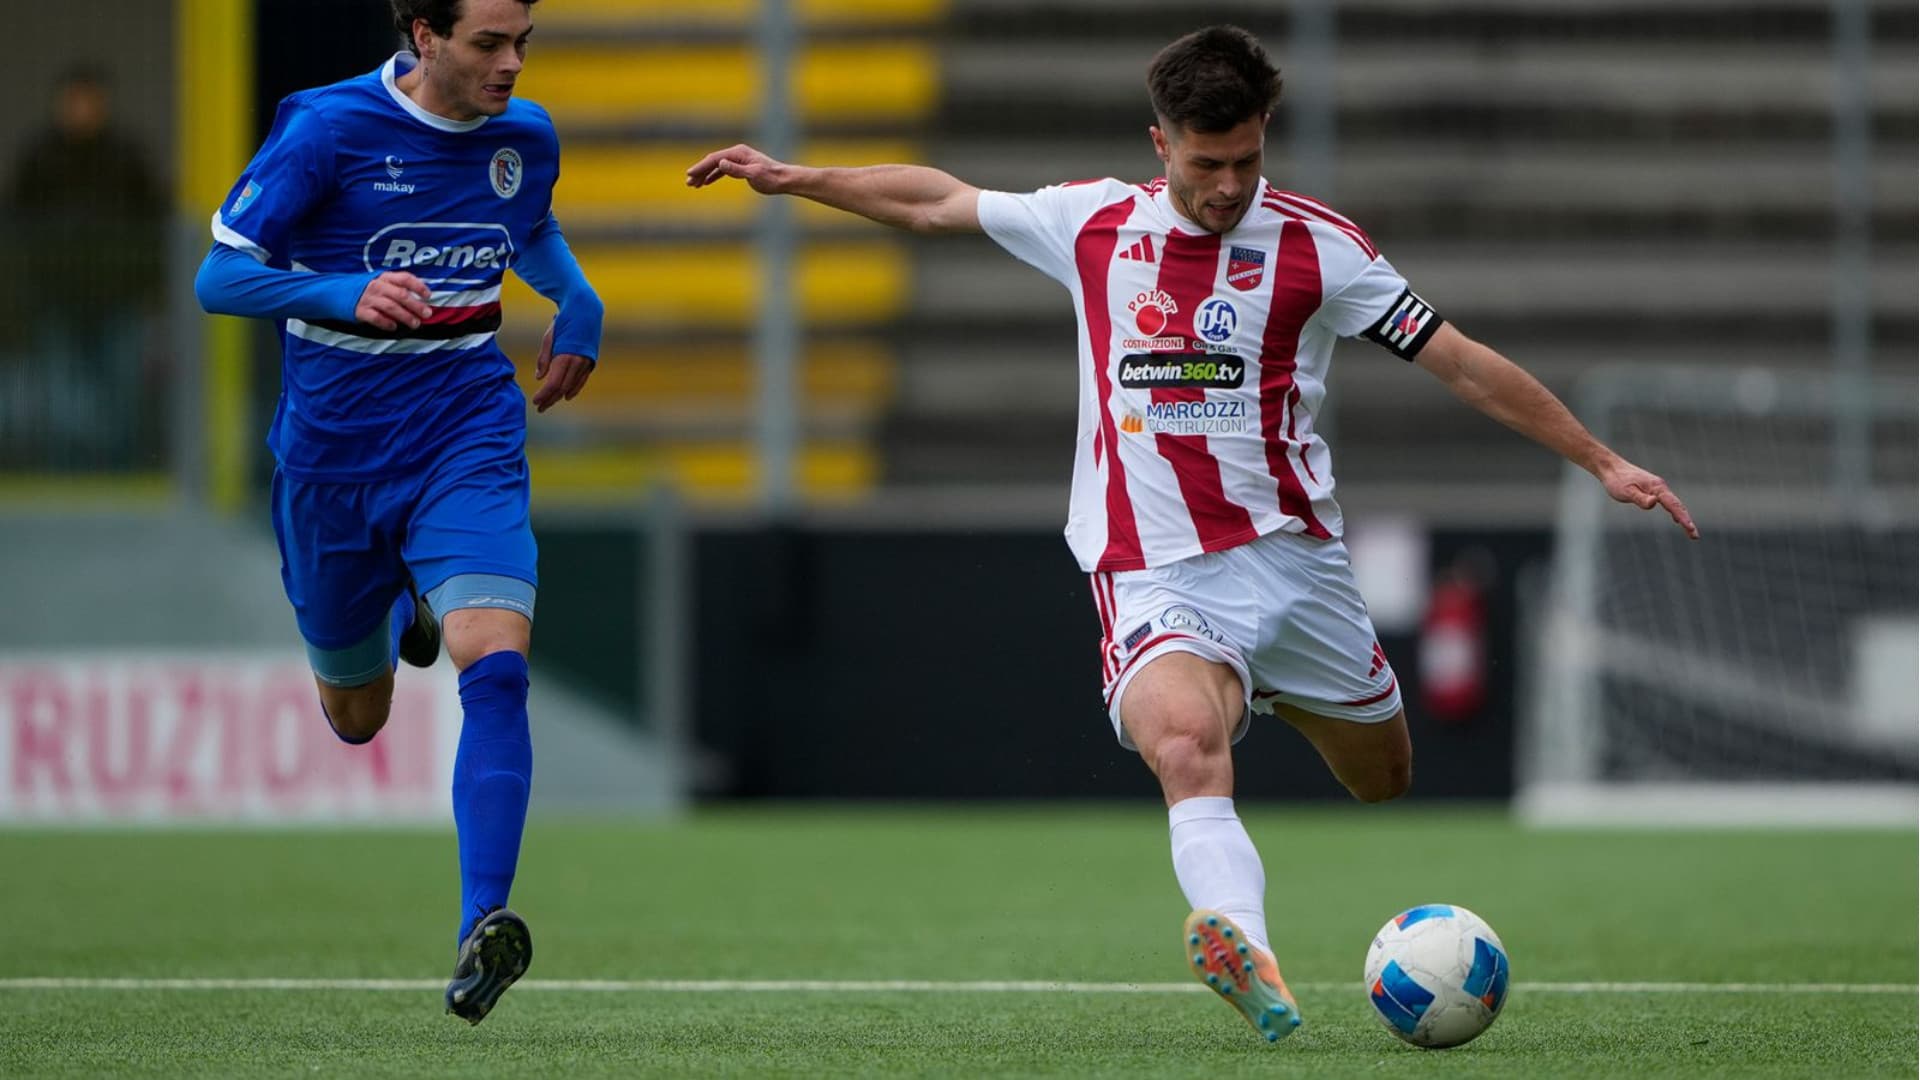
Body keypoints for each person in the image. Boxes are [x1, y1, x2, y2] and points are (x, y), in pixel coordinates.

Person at [687, 24, 1697, 1045]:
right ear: (1160, 142)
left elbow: (1462, 362)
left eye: (1247, 161)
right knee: (1184, 745)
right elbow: (936, 201)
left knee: (1382, 777)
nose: (1228, 186)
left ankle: (1258, 685)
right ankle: (1244, 948)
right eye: (1207, 164)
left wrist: (1601, 461)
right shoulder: (1092, 223)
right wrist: (797, 178)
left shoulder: (1320, 248)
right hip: (1156, 569)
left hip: (1297, 567)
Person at [194, 0, 602, 1025]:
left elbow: (528, 227)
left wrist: (578, 300)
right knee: (356, 717)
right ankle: (394, 609)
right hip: (332, 461)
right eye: (488, 43)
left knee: (495, 663)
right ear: (423, 34)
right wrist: (341, 294)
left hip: (466, 425)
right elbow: (219, 275)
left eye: (523, 43)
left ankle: (482, 924)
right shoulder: (327, 128)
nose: (511, 65)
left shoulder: (525, 137)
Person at [6, 64, 165, 469]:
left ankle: (121, 466)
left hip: (119, 295)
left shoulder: (126, 155)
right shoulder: (40, 156)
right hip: (55, 295)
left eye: (88, 101)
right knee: (58, 383)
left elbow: (154, 221)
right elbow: (18, 223)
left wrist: (147, 286)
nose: (81, 110)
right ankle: (63, 464)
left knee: (123, 383)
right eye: (74, 101)